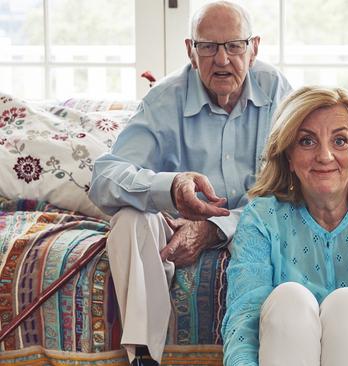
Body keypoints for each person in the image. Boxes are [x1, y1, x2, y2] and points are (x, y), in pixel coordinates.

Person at [88, 2, 292, 365]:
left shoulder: (277, 92)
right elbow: (104, 177)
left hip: (253, 224)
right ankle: (144, 357)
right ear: (190, 51)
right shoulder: (164, 98)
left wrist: (213, 228)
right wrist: (169, 188)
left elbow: (292, 190)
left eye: (234, 45)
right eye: (208, 46)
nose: (222, 59)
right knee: (129, 220)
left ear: (254, 47)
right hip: (169, 226)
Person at [221, 86, 348, 366]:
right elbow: (243, 323)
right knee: (288, 299)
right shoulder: (261, 217)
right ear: (288, 157)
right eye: (307, 141)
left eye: (340, 141)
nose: (325, 155)